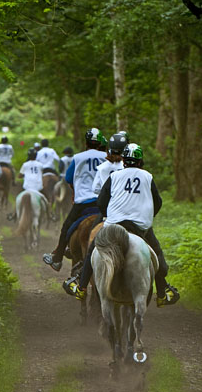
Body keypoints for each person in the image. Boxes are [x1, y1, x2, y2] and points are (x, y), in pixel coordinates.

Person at [63, 143, 180, 307]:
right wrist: (147, 216)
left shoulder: (114, 176)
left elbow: (101, 201)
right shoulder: (147, 176)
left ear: (124, 161)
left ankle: (81, 287)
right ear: (140, 162)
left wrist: (106, 215)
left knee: (92, 251)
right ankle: (162, 292)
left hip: (114, 223)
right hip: (139, 226)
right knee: (157, 255)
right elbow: (157, 202)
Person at [43, 128, 107, 271]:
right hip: (104, 203)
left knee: (66, 227)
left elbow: (68, 178)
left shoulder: (78, 157)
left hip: (84, 202)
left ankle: (57, 258)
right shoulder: (107, 156)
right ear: (100, 143)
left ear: (86, 142)